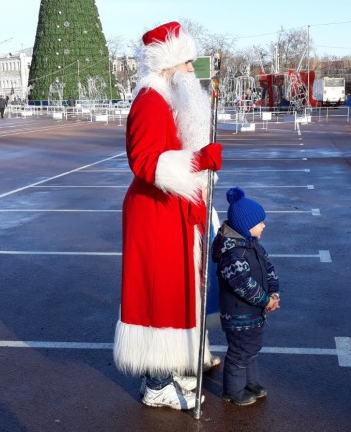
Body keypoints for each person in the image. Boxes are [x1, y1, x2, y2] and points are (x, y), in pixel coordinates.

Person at [113, 21, 223, 411]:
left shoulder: (168, 98)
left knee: (175, 294)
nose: (193, 71)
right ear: (170, 64)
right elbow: (143, 162)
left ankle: (173, 371)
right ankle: (157, 383)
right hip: (154, 215)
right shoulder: (150, 100)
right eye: (188, 64)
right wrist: (197, 160)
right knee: (159, 296)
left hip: (172, 210)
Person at [212, 187, 280, 406]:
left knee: (252, 348)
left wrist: (273, 292)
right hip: (239, 315)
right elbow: (244, 285)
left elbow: (268, 268)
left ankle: (250, 382)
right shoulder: (233, 254)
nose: (264, 226)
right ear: (246, 226)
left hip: (254, 312)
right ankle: (233, 390)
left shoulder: (253, 246)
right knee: (240, 352)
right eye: (260, 223)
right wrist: (265, 300)